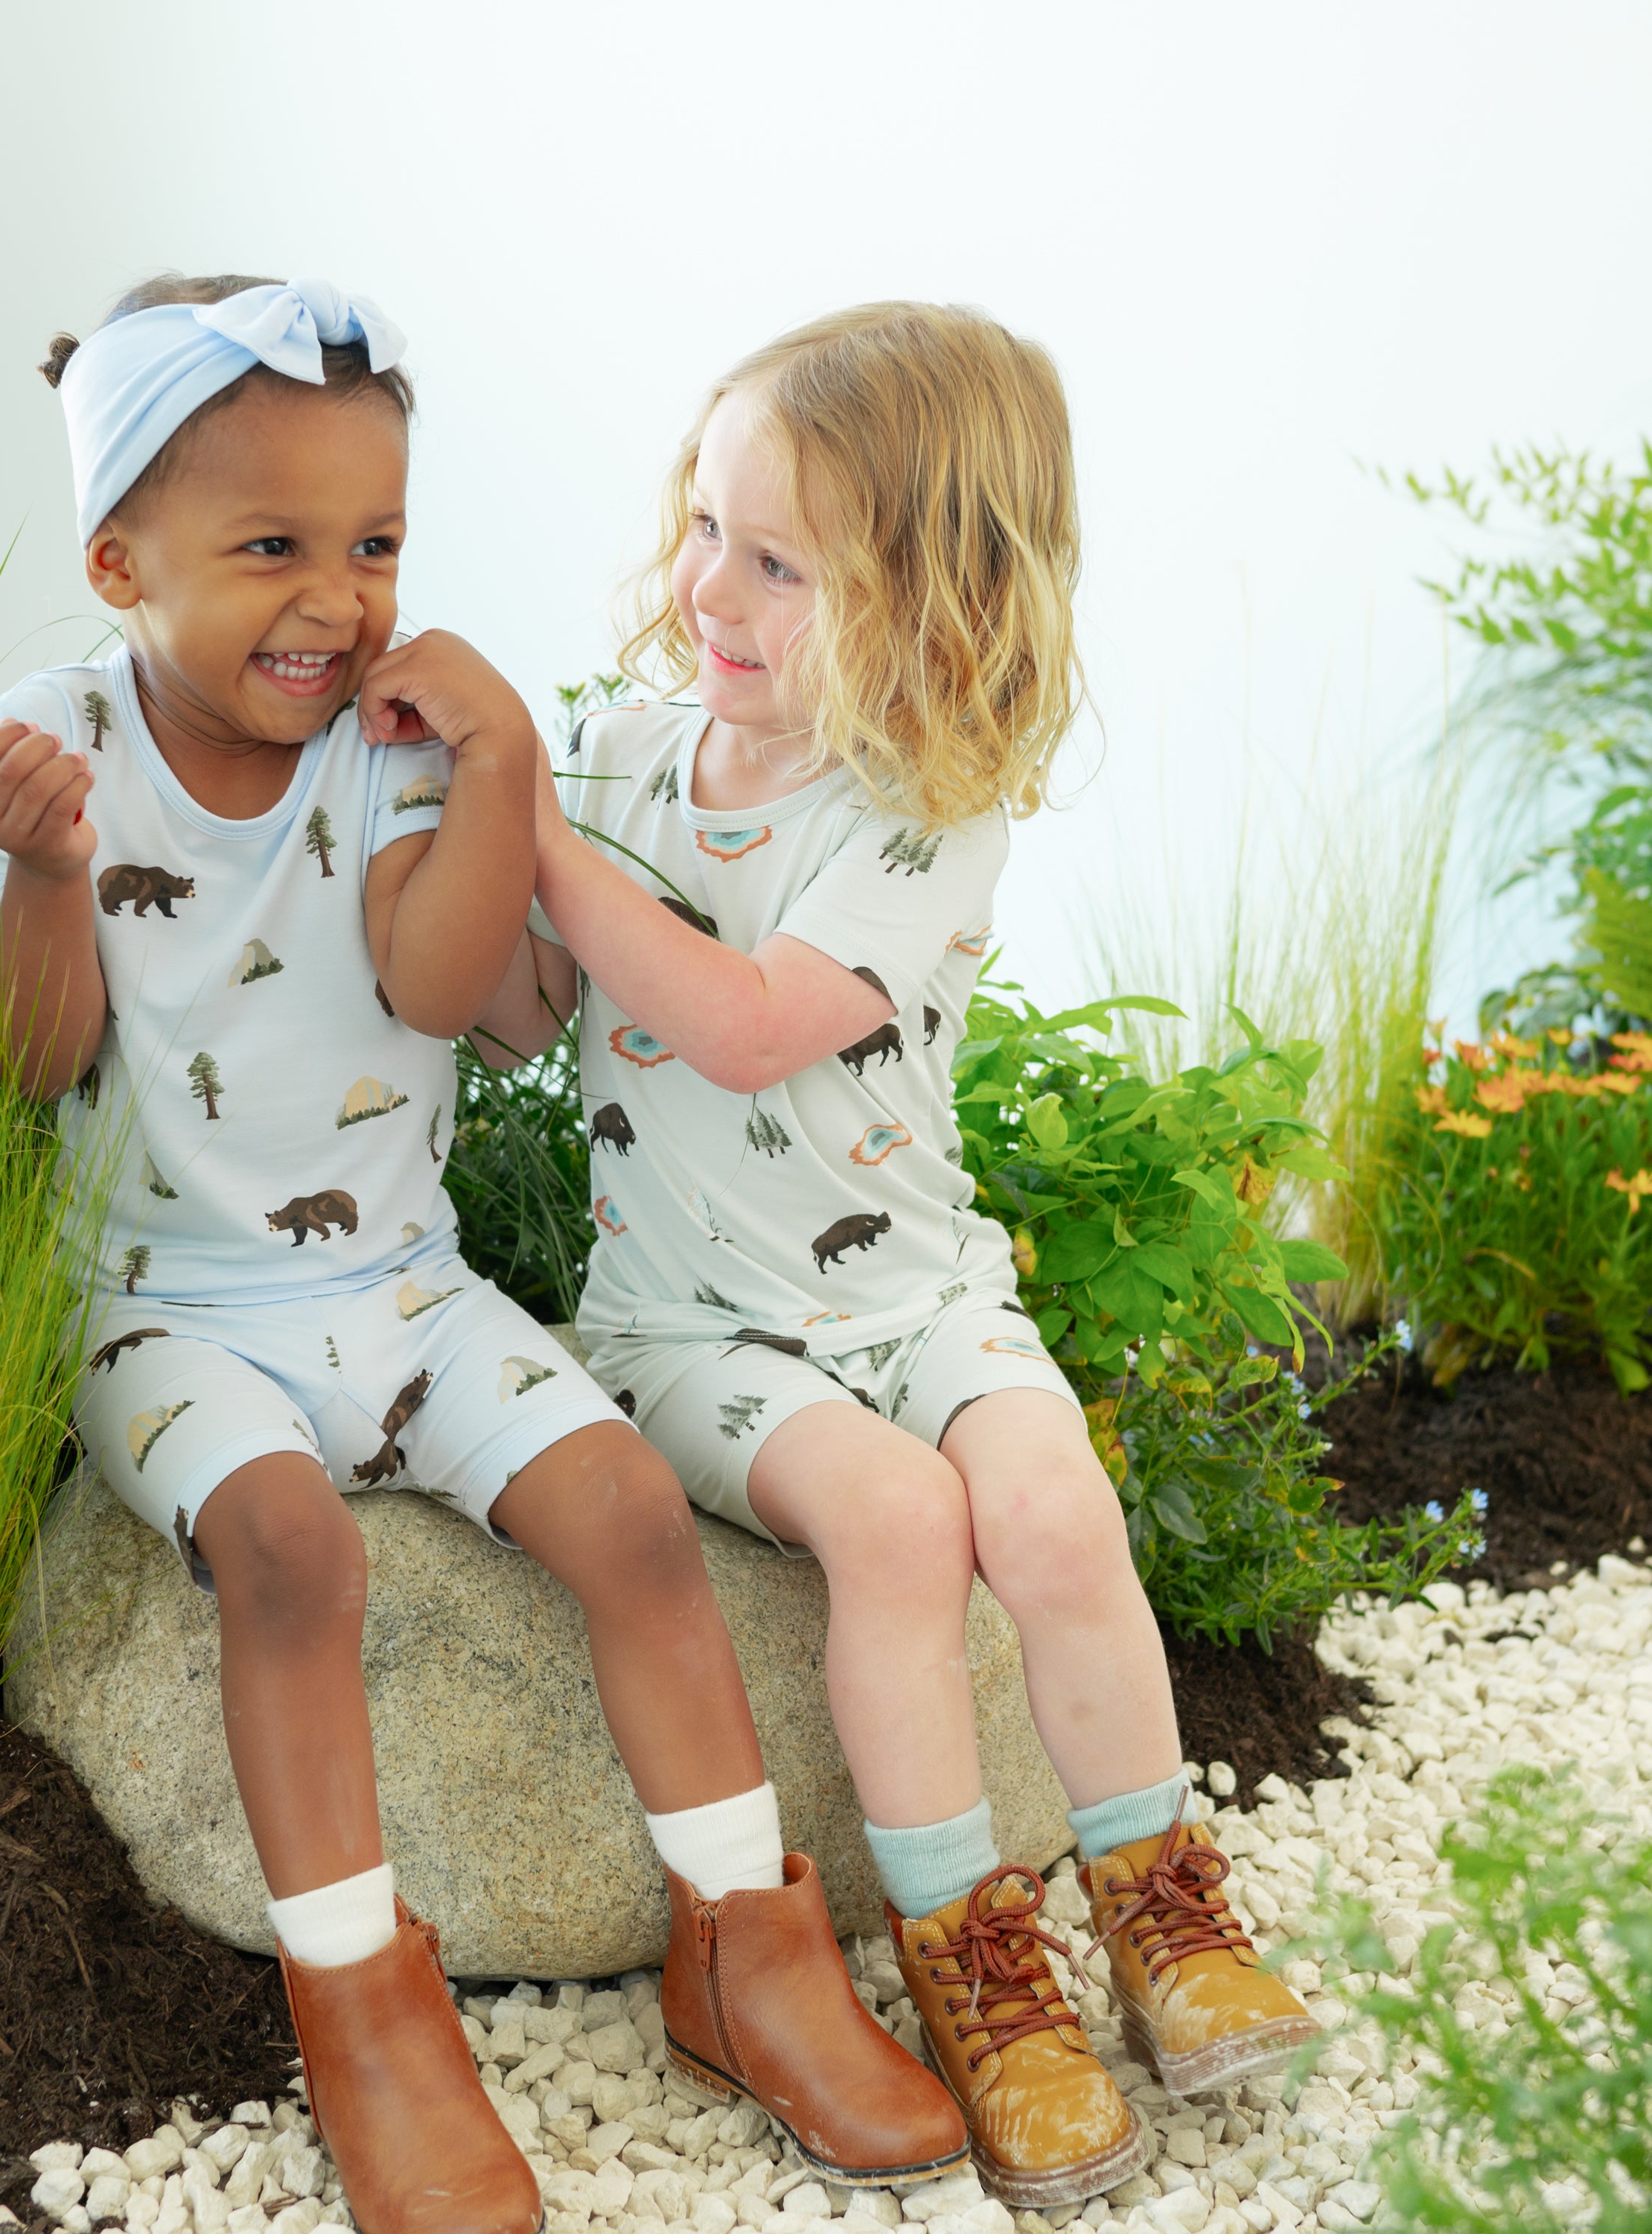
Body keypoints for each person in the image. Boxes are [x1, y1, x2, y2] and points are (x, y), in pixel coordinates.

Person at [0, 273, 966, 2234]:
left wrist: (499, 769)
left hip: (407, 1291)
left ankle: (746, 1953)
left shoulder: (389, 742)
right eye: (273, 548)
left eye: (376, 544)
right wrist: (47, 872)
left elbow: (450, 998)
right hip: (170, 1317)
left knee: (636, 1521)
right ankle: (369, 2016)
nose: (337, 598)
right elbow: (34, 1059)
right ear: (117, 563)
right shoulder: (59, 748)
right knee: (291, 1557)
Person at [483, 302, 1316, 2212]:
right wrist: (484, 835)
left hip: (922, 1292)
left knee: (1057, 1511)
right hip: (693, 1330)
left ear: (938, 608)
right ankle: (979, 1972)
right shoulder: (606, 764)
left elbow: (752, 1023)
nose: (714, 587)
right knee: (895, 1523)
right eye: (708, 528)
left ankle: (1161, 1903)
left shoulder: (928, 813)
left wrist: (540, 844)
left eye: (781, 565)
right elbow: (526, 1016)